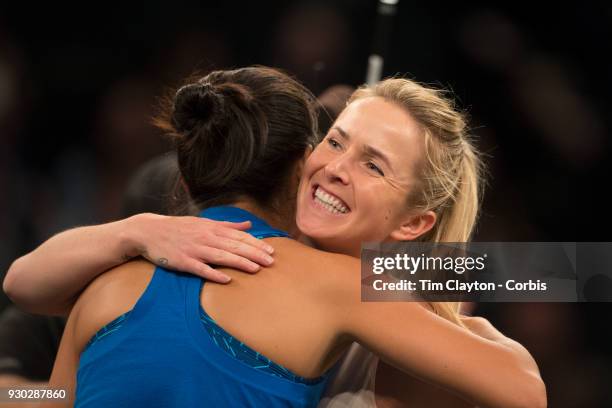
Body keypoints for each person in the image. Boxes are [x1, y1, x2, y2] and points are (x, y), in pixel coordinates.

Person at [6, 67, 545, 407]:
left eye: (373, 166)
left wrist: (431, 275)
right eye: (334, 142)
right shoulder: (152, 232)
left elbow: (570, 274)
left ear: (414, 224)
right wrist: (138, 230)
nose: (335, 168)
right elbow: (23, 294)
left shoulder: (388, 281)